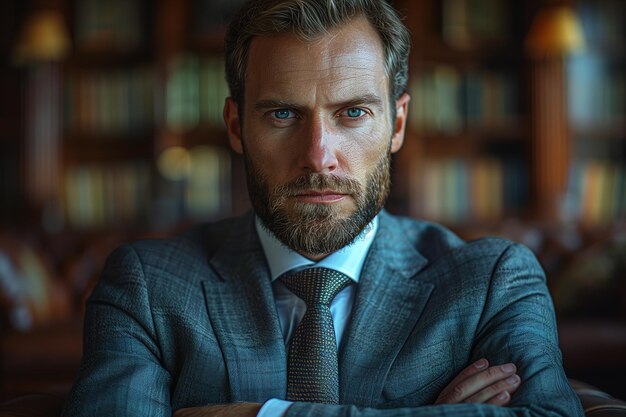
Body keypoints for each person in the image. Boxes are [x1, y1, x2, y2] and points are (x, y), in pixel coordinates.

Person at [62, 0, 584, 416]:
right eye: (283, 113)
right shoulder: (146, 288)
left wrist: (263, 415)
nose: (319, 156)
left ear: (397, 124)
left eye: (353, 112)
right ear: (237, 126)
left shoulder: (493, 281)